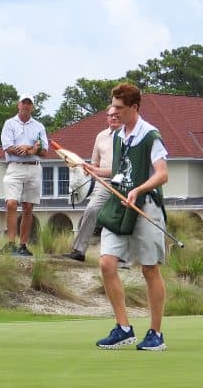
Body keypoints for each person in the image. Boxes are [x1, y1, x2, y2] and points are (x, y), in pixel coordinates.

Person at [91, 83, 168, 350]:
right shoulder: (117, 135)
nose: (115, 112)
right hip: (118, 205)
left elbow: (162, 173)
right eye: (113, 106)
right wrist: (90, 169)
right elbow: (117, 171)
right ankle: (123, 327)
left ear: (134, 107)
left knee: (149, 269)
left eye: (120, 108)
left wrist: (139, 189)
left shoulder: (150, 135)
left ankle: (155, 334)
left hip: (145, 206)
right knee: (106, 264)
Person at [62, 105, 122, 262]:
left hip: (125, 182)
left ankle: (122, 256)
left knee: (122, 216)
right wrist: (90, 170)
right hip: (104, 182)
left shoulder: (129, 136)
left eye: (117, 115)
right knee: (91, 210)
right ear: (107, 118)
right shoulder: (100, 137)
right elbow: (94, 163)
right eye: (111, 115)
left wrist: (98, 171)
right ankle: (79, 251)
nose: (114, 118)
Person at [0, 94, 48, 256]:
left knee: (28, 207)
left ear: (32, 107)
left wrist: (34, 149)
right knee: (11, 203)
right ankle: (10, 243)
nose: (26, 106)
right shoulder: (9, 123)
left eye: (29, 103)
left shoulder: (39, 126)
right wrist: (29, 148)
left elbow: (44, 150)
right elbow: (7, 146)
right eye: (24, 103)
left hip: (34, 168)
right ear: (18, 105)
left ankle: (22, 245)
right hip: (15, 167)